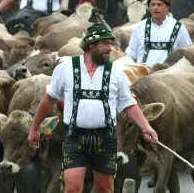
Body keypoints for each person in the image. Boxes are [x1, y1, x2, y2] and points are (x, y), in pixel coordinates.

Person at [28, 23, 158, 193]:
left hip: (105, 137)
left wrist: (146, 127)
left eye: (111, 43)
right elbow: (48, 100)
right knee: (72, 188)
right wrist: (34, 129)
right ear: (91, 45)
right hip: (75, 136)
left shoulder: (116, 72)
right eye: (105, 43)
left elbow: (128, 104)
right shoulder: (65, 69)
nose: (110, 48)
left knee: (105, 189)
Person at [126, 0, 192, 66]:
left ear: (167, 7)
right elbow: (131, 55)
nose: (155, 8)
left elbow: (188, 54)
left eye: (159, 4)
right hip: (143, 76)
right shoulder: (139, 28)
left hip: (169, 76)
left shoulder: (178, 28)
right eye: (152, 5)